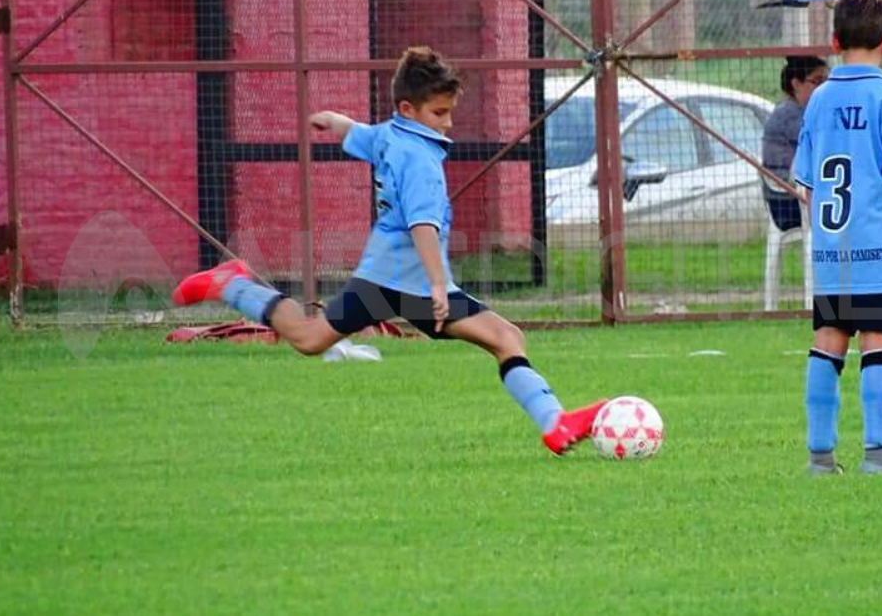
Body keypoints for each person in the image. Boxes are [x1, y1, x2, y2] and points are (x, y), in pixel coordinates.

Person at [171, 47, 607, 455]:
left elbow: (360, 135)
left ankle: (232, 284)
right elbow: (422, 225)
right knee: (506, 337)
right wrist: (438, 285)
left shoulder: (390, 135)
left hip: (379, 277)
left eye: (449, 112)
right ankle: (554, 423)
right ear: (407, 110)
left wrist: (333, 121)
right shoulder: (419, 158)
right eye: (439, 113)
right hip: (415, 283)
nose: (448, 123)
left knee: (308, 338)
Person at [792, 0, 882, 476]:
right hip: (881, 252)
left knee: (828, 341)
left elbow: (806, 185)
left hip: (833, 255)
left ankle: (820, 458)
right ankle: (877, 456)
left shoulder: (818, 101)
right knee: (878, 339)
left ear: (834, 40)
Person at [761, 56, 829, 230]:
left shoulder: (805, 112)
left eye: (827, 81)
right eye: (818, 81)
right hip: (788, 202)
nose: (824, 87)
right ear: (796, 84)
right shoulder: (790, 115)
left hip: (802, 195)